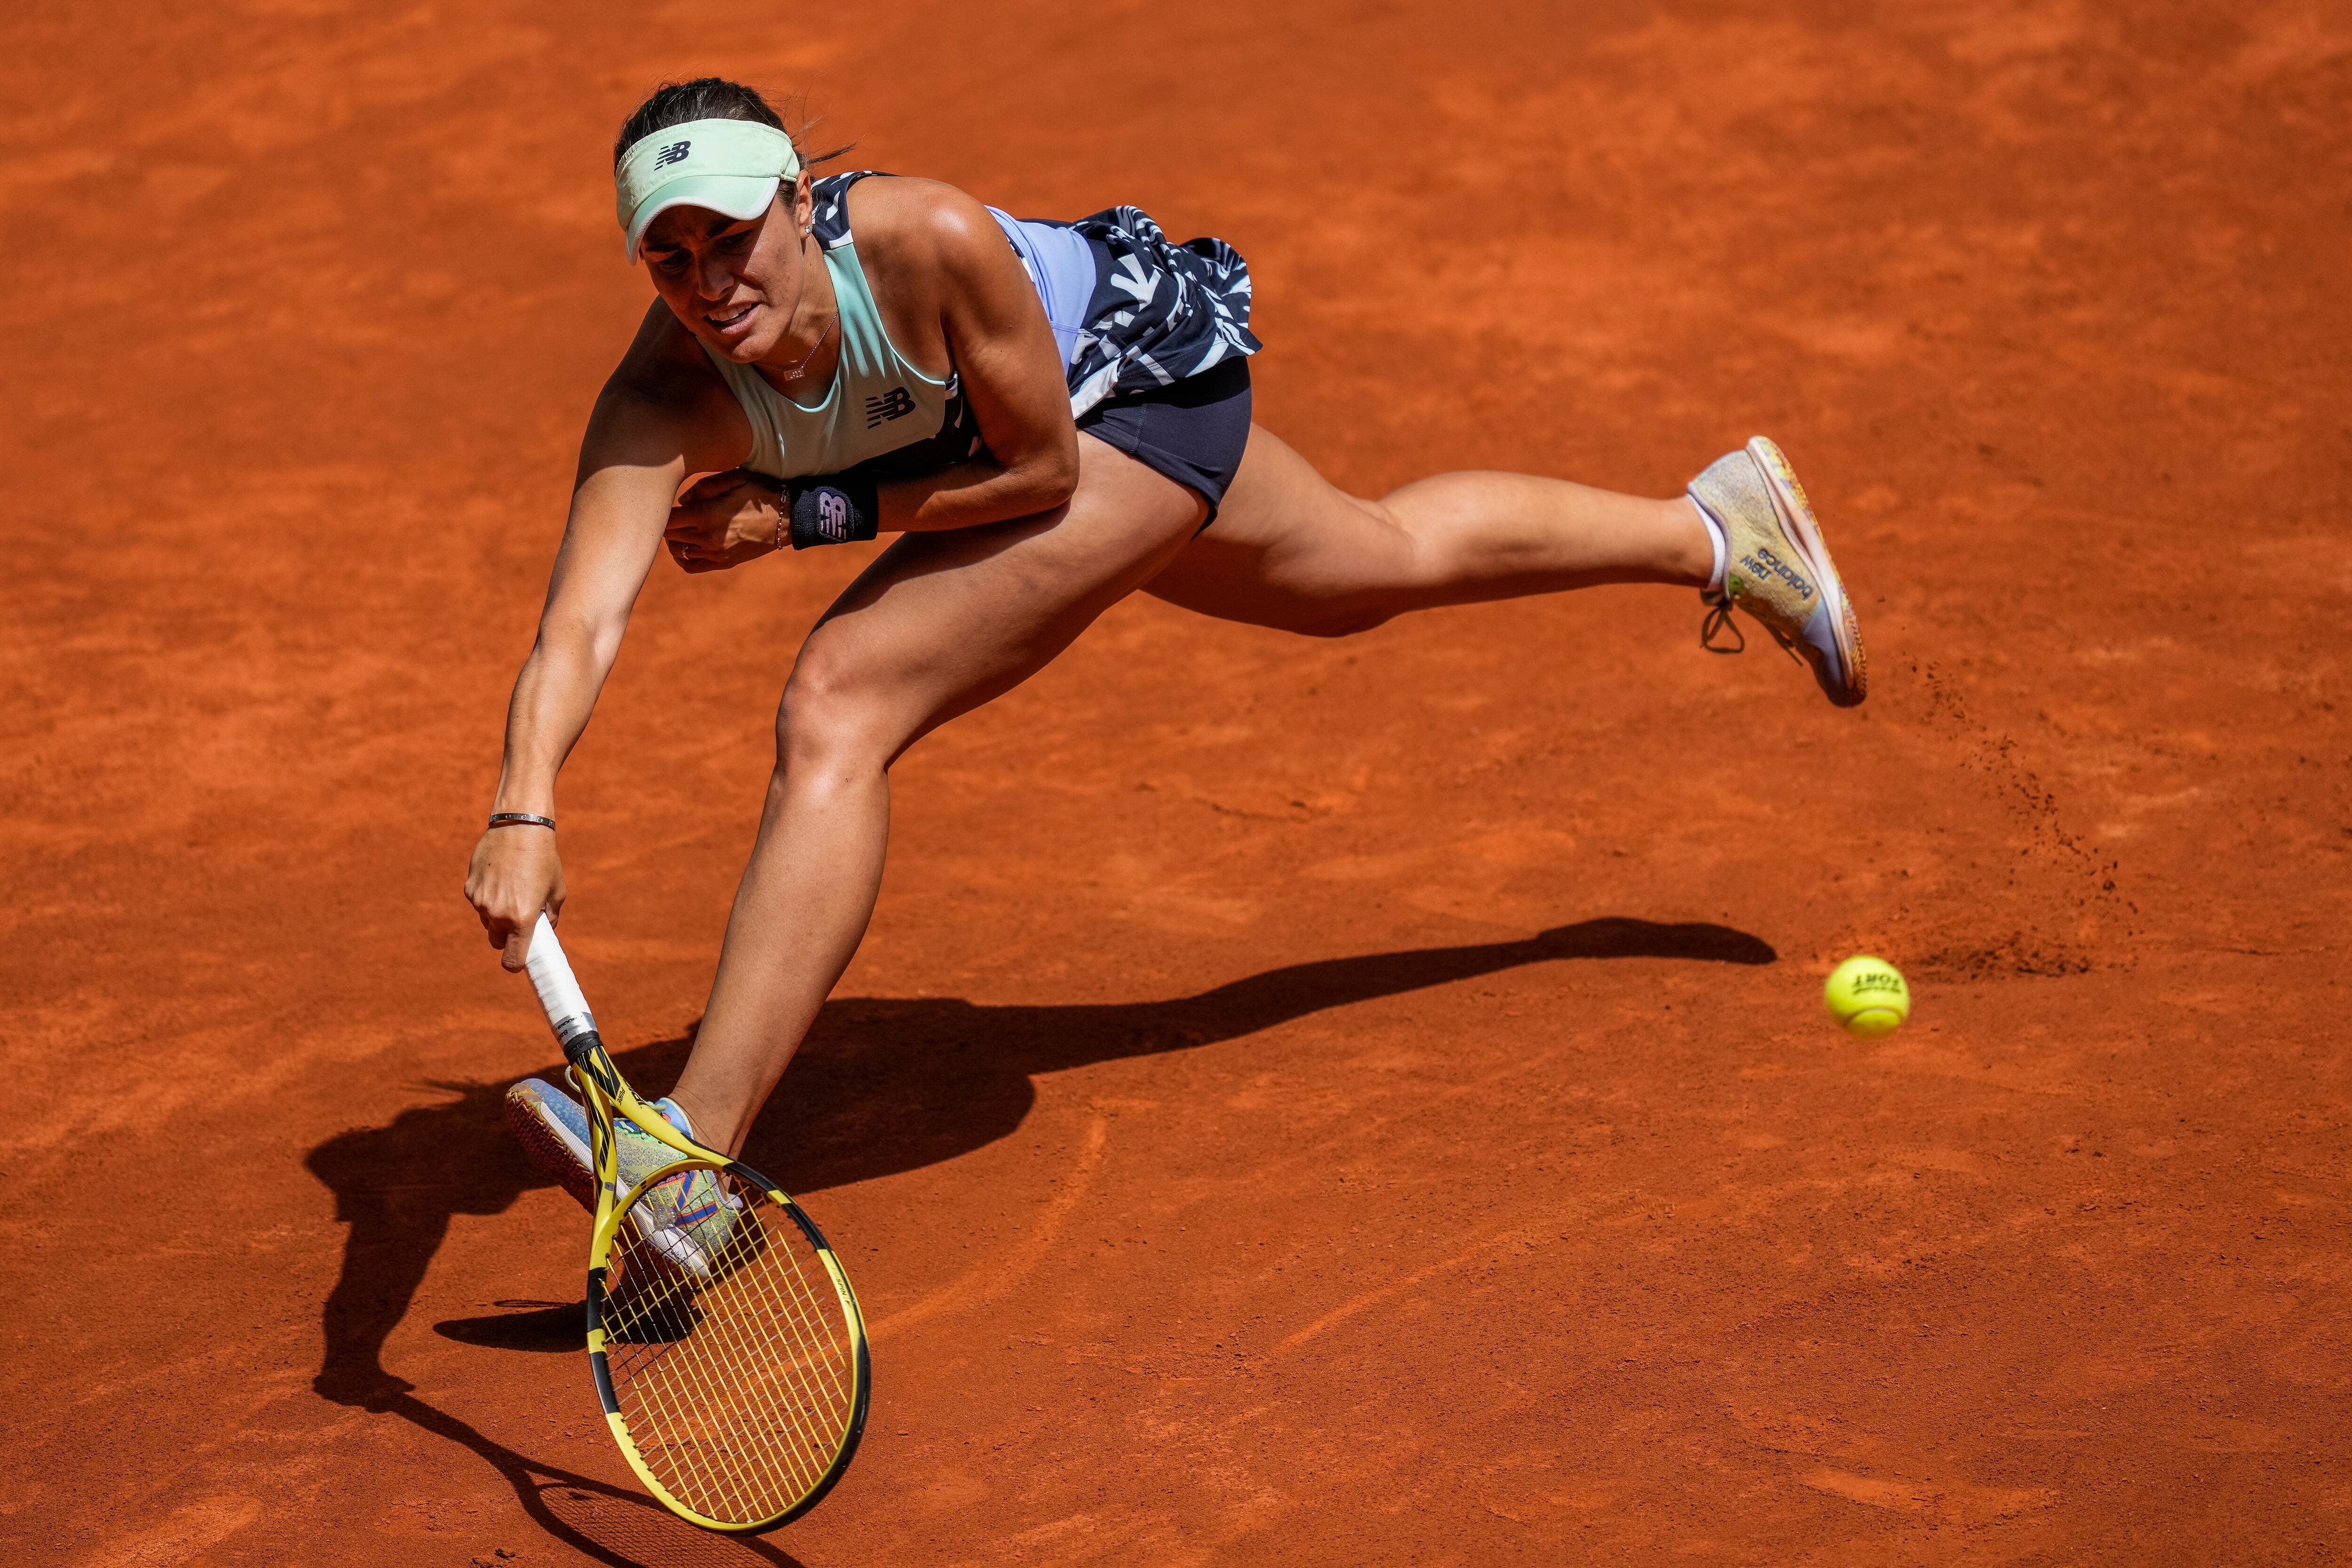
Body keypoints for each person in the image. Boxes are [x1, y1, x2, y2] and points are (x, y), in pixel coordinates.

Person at [467, 78, 1866, 1209]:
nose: (711, 281)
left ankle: (687, 1158)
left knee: (843, 696)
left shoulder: (925, 243)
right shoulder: (660, 394)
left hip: (1128, 398)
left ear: (796, 200)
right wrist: (524, 809)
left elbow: (1042, 475)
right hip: (1018, 449)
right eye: (670, 257)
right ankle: (1716, 529)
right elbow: (580, 622)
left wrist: (805, 510)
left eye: (733, 237)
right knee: (1369, 565)